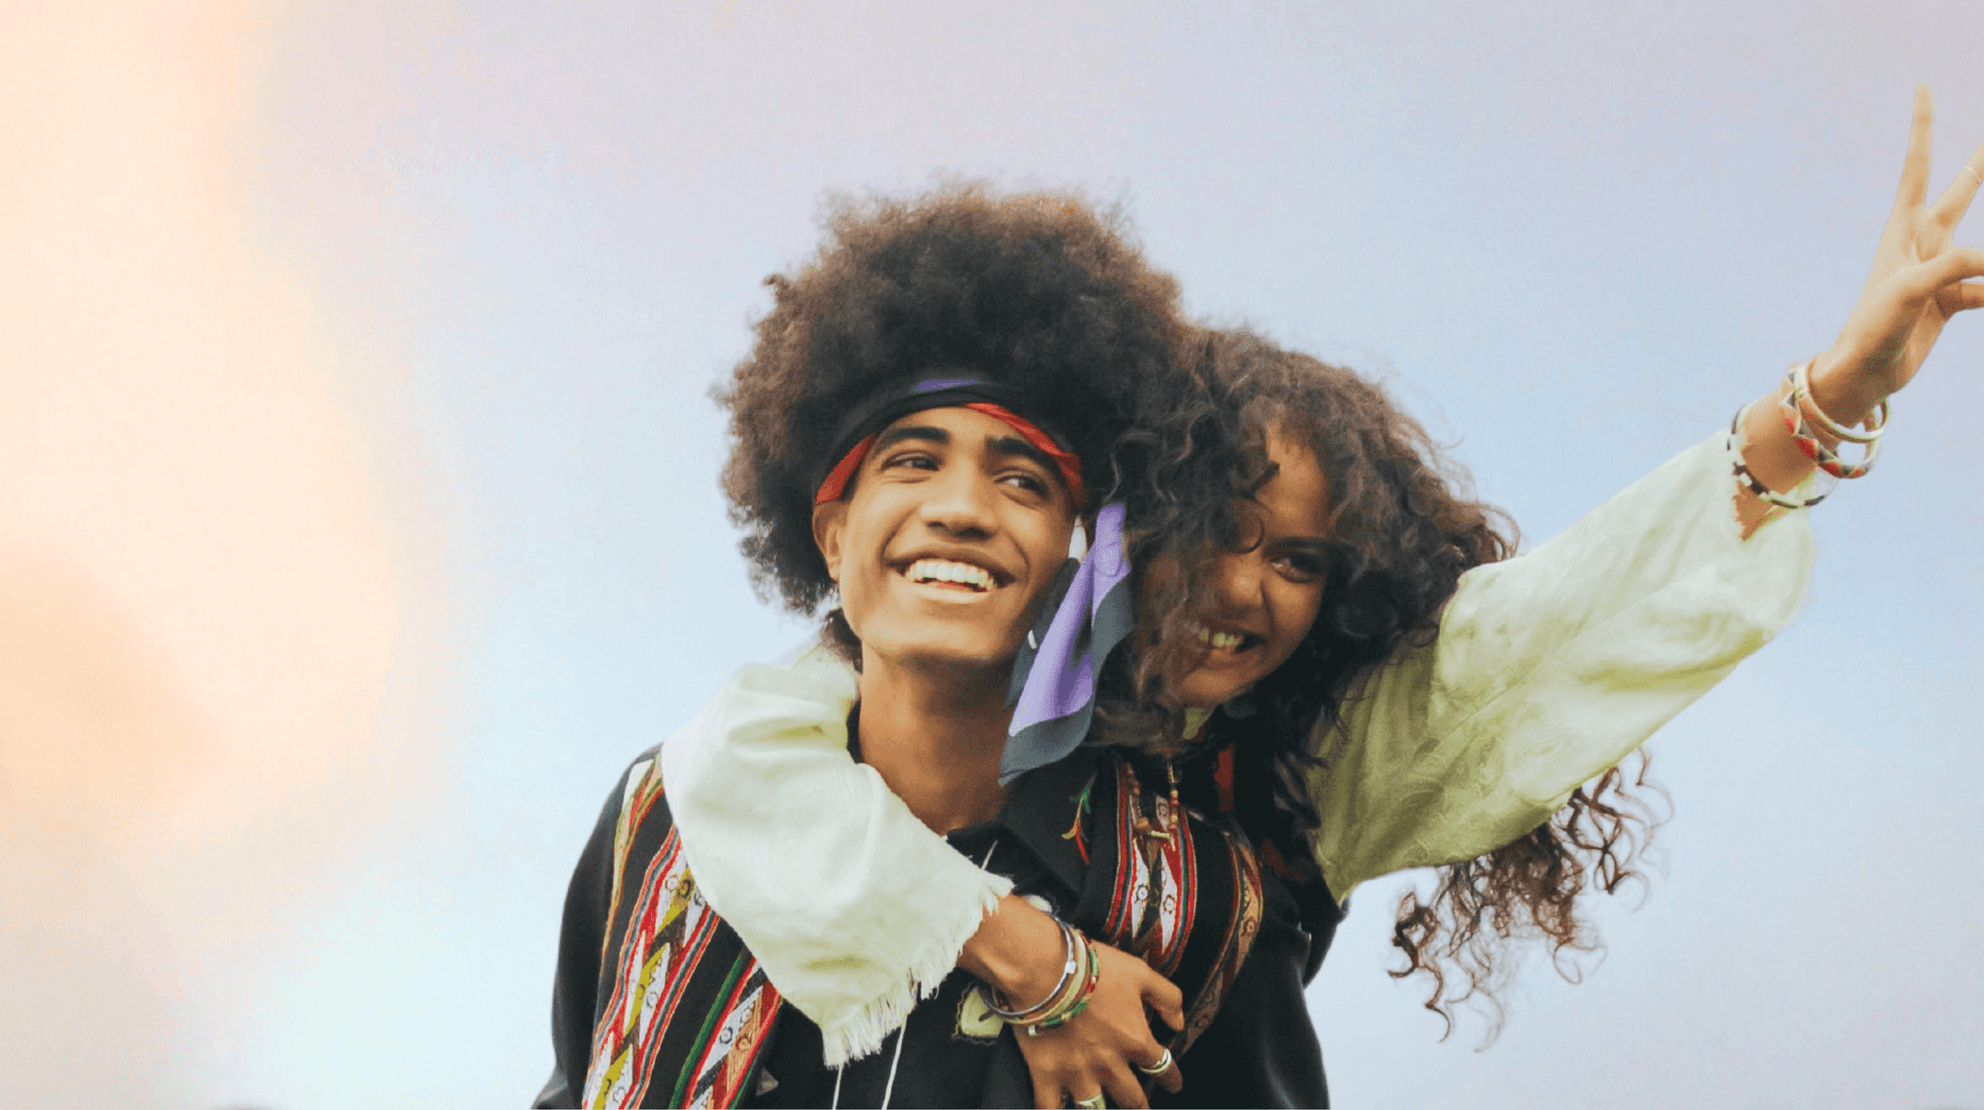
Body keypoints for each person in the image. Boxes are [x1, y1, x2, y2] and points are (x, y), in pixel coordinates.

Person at [654, 87, 1984, 1108]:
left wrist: (1822, 404)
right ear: (1123, 531)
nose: (1245, 590)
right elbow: (727, 770)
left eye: (1301, 561)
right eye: (1215, 534)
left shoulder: (1271, 802)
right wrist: (1033, 959)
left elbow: (1547, 626)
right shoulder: (727, 786)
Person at [537, 186, 1287, 1109]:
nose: (963, 509)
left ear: (1072, 557)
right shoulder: (665, 823)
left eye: (1022, 479)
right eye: (913, 460)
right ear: (832, 537)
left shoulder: (1196, 902)